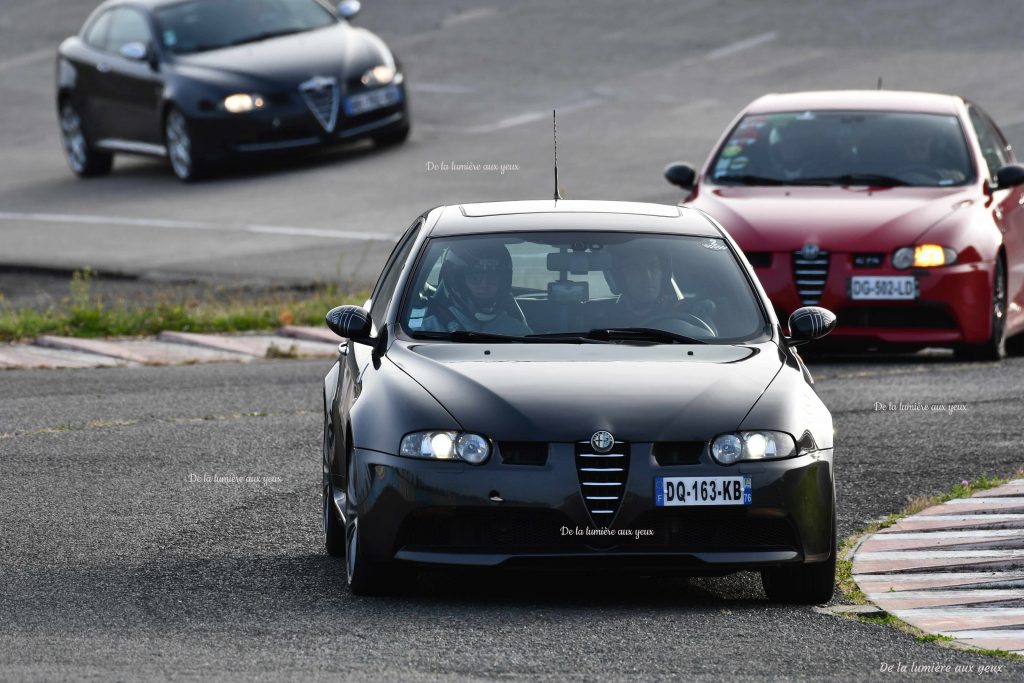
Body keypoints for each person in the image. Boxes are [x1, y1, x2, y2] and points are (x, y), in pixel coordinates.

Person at [599, 244, 717, 336]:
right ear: (621, 278)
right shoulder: (609, 321)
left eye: (653, 266)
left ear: (663, 273)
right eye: (635, 268)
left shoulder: (690, 311)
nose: (647, 277)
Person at [419, 241, 532, 335]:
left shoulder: (520, 333)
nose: (485, 285)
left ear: (502, 283)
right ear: (458, 283)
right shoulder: (426, 331)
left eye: (492, 278)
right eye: (474, 278)